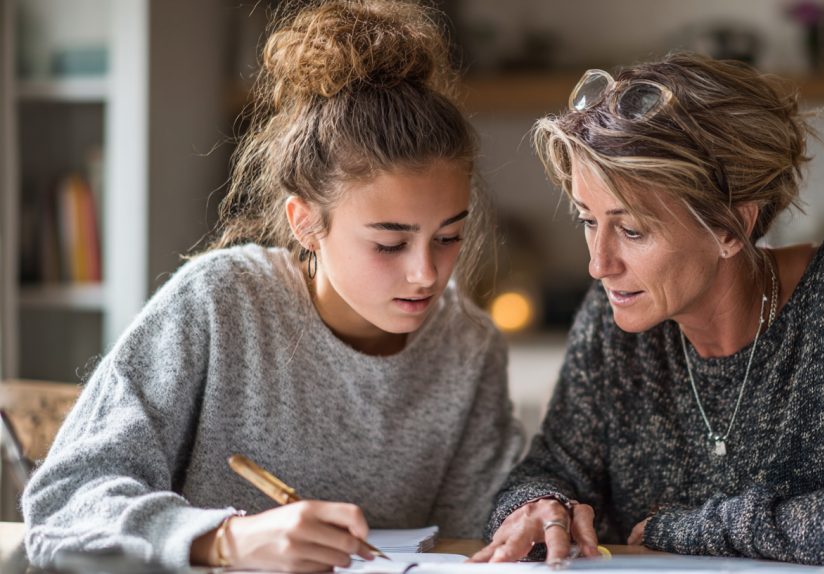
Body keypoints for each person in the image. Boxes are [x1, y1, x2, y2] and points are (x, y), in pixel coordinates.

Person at [22, 1, 523, 571]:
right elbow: (60, 505)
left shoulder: (470, 347)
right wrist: (227, 541)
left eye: (448, 237)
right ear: (306, 222)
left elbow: (474, 541)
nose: (426, 274)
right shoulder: (218, 303)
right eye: (389, 243)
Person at [472, 53, 824, 566]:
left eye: (632, 230)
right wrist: (539, 505)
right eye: (588, 220)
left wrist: (703, 528)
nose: (598, 264)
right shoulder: (617, 316)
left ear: (730, 227)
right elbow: (551, 470)